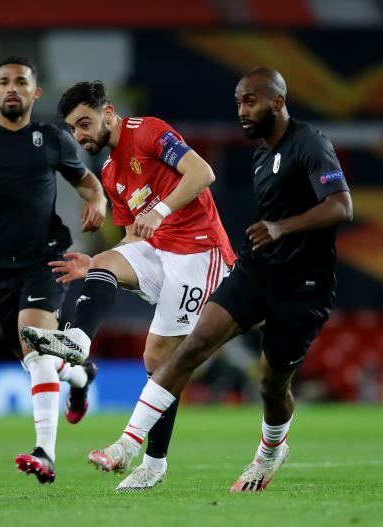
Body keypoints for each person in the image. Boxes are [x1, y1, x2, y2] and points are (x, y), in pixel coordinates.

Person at [67, 68, 353, 493]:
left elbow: (342, 206)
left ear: (278, 101)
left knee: (271, 385)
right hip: (256, 272)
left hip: (299, 285)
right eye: (238, 102)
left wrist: (281, 228)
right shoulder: (259, 158)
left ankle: (270, 452)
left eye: (250, 101)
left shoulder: (310, 144)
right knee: (187, 350)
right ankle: (127, 446)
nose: (242, 111)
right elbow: (133, 234)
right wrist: (102, 266)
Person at [21, 81, 236, 491]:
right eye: (73, 129)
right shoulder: (109, 171)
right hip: (158, 249)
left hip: (200, 252)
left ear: (108, 113)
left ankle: (152, 462)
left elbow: (201, 173)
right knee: (101, 263)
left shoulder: (148, 130)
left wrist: (160, 210)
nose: (80, 135)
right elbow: (134, 235)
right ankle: (79, 341)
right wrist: (105, 261)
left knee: (158, 358)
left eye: (84, 123)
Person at [0, 57, 107, 484]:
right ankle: (81, 376)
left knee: (36, 343)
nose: (12, 88)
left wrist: (98, 202)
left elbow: (86, 181)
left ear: (35, 93)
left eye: (21, 82)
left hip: (44, 258)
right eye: (4, 82)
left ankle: (44, 453)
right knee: (38, 361)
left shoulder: (50, 138)